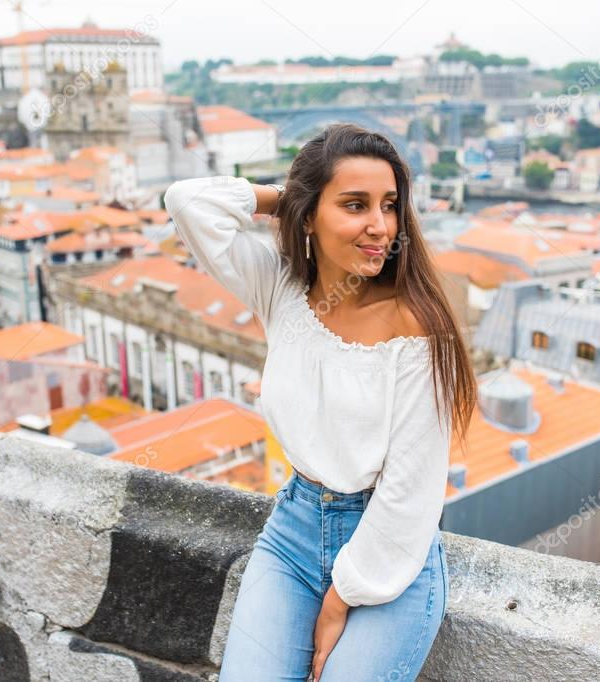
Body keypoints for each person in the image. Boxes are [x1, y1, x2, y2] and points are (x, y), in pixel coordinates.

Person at [163, 123, 476, 681]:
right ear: (309, 215)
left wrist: (342, 597)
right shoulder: (283, 291)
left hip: (388, 556)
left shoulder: (417, 330)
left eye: (390, 206)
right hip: (293, 532)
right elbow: (189, 202)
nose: (379, 226)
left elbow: (411, 491)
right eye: (354, 205)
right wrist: (285, 201)